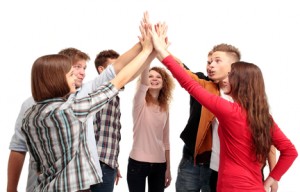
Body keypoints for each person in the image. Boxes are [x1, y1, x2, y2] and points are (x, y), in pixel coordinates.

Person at [7, 15, 152, 191]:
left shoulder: (31, 115)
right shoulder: (73, 108)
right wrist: (146, 51)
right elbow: (118, 81)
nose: (79, 75)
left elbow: (116, 71)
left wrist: (142, 45)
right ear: (56, 78)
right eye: (72, 72)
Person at [150, 25, 298, 191]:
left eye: (231, 75)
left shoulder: (229, 111)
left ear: (241, 81)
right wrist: (273, 177)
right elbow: (290, 151)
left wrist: (161, 51)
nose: (228, 78)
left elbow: (188, 83)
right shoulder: (263, 117)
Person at [126, 62, 175, 192]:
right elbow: (143, 84)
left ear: (164, 82)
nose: (154, 79)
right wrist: (148, 57)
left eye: (158, 77)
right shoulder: (139, 102)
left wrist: (168, 168)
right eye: (150, 76)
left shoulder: (165, 107)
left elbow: (166, 141)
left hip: (160, 164)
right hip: (137, 164)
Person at [90, 49, 123, 192]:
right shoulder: (100, 92)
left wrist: (114, 163)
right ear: (102, 70)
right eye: (115, 67)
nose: (120, 71)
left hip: (106, 163)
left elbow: (106, 133)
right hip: (98, 164)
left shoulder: (113, 94)